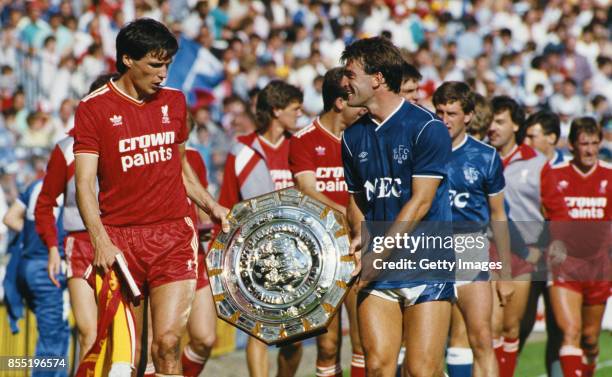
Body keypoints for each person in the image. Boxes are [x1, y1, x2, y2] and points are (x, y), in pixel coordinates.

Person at [73, 18, 228, 376]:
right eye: (155, 65)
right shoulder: (93, 109)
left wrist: (212, 206)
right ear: (128, 59)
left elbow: (181, 170)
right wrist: (99, 240)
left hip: (173, 235)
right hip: (121, 241)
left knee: (168, 344)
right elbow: (84, 184)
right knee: (132, 354)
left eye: (168, 65)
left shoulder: (175, 103)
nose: (163, 75)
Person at [341, 36, 454, 377]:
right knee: (377, 367)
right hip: (380, 271)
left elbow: (421, 202)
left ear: (377, 78)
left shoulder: (427, 128)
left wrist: (378, 253)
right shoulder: (351, 136)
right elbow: (359, 199)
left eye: (350, 74)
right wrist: (362, 237)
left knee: (421, 371)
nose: (343, 83)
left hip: (426, 263)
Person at [217, 79, 303, 377]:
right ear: (277, 110)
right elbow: (227, 203)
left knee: (294, 339)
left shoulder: (299, 145)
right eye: (295, 109)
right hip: (253, 255)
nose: (299, 114)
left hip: (297, 255)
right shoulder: (240, 150)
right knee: (258, 331)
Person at [289, 67, 367, 377]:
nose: (363, 106)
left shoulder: (364, 137)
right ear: (338, 102)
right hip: (322, 251)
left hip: (358, 245)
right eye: (355, 99)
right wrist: (348, 214)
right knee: (328, 344)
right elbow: (308, 191)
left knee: (363, 342)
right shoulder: (304, 140)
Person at [35, 73, 118, 362]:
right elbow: (44, 204)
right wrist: (52, 248)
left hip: (123, 243)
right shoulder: (66, 149)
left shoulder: (129, 140)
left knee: (123, 338)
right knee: (90, 334)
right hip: (80, 244)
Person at [432, 81, 513, 377]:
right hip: (429, 251)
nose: (444, 119)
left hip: (470, 251)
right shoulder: (421, 151)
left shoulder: (486, 156)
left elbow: (498, 216)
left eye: (451, 113)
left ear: (467, 115)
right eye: (439, 111)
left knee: (481, 340)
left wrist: (504, 274)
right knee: (425, 348)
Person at [541, 117, 611, 377]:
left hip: (598, 269)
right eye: (584, 143)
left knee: (590, 339)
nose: (590, 150)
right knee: (570, 332)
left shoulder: (609, 176)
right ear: (571, 145)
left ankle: (589, 365)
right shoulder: (554, 175)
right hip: (565, 267)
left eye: (594, 143)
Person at [488, 96, 548, 377]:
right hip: (487, 249)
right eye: (491, 120)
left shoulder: (537, 163)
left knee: (513, 328)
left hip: (526, 253)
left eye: (500, 121)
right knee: (491, 327)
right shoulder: (480, 155)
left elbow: (551, 208)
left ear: (515, 125)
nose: (493, 127)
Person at [3, 179, 70, 377]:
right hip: (48, 268)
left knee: (55, 334)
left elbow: (10, 218)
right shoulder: (68, 186)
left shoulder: (36, 185)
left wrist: (34, 233)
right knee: (53, 339)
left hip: (27, 267)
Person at [519, 109, 566, 377]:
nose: (526, 142)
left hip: (560, 258)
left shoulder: (565, 168)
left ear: (551, 138)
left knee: (558, 325)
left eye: (532, 136)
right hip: (528, 256)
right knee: (520, 324)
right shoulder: (519, 167)